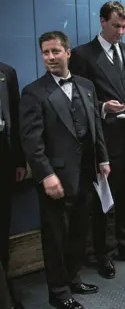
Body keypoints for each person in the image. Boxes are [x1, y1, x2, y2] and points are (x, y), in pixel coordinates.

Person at [19, 31, 110, 309]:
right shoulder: (33, 92)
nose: (50, 57)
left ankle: (72, 277)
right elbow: (31, 141)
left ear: (67, 52)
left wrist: (103, 159)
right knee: (55, 237)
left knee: (78, 232)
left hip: (85, 174)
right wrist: (46, 175)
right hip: (54, 177)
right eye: (45, 52)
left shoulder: (86, 85)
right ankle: (58, 293)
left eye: (55, 51)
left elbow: (96, 127)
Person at [69, 1, 125, 279]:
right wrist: (105, 107)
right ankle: (103, 254)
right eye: (116, 26)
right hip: (104, 142)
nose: (121, 32)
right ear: (102, 21)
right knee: (104, 202)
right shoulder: (83, 55)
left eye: (124, 27)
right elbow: (76, 101)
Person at [0, 62, 26, 309]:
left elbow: (16, 118)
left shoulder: (7, 72)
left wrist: (19, 160)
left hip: (4, 160)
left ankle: (3, 292)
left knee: (2, 226)